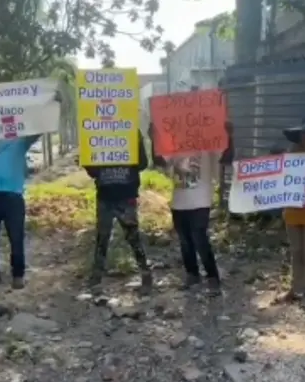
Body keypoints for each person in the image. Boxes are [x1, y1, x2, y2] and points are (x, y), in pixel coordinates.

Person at [150, 122, 234, 297]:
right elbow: (159, 160)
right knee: (185, 241)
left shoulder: (208, 143)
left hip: (201, 201)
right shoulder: (175, 143)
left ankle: (212, 277)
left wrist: (229, 136)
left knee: (199, 238)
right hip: (179, 202)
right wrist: (154, 139)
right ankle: (192, 274)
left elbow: (226, 158)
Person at [84, 129, 153, 294]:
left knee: (130, 237)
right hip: (109, 196)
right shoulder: (94, 132)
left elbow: (142, 164)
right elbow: (93, 172)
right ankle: (97, 278)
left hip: (121, 196)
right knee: (105, 238)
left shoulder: (130, 131)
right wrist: (86, 158)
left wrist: (138, 142)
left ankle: (145, 275)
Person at [0, 134, 42, 290]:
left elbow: (38, 129)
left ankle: (18, 274)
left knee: (16, 237)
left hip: (13, 196)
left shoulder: (21, 139)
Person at [277, 116, 305, 306]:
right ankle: (295, 289)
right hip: (293, 212)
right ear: (300, 135)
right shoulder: (291, 153)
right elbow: (280, 179)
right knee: (296, 251)